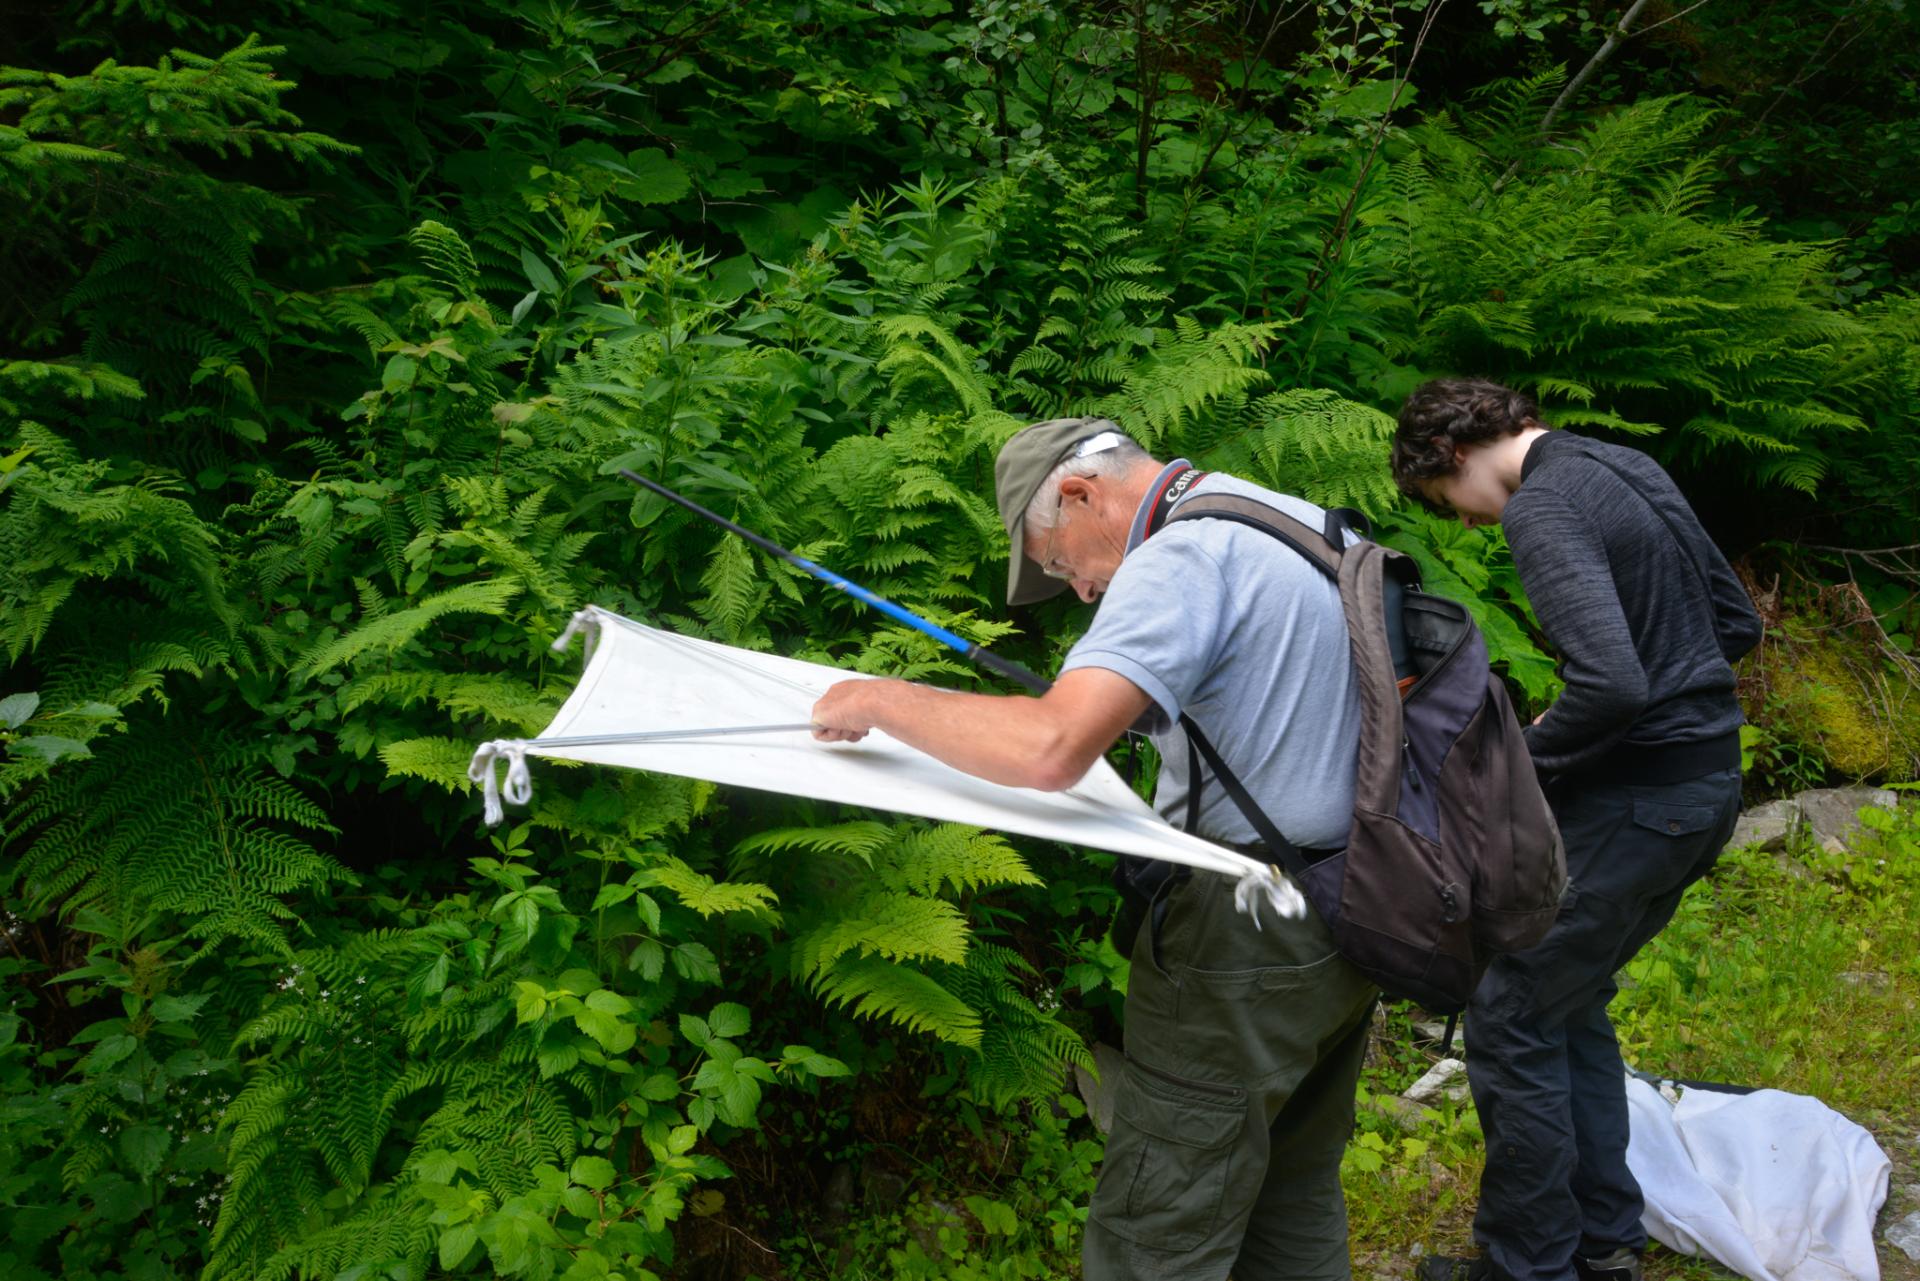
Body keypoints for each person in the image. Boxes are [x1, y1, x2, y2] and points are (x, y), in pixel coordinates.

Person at [810, 417, 1378, 1281]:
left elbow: (1049, 747)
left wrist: (881, 700)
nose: (1075, 589)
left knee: (1161, 1221)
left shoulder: (1180, 559)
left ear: (1078, 494)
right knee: (1293, 1187)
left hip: (1241, 941)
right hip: (1355, 904)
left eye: (1055, 559)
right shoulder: (1293, 521)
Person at [1390, 379, 1762, 1281]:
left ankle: (1530, 1264)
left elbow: (1613, 686)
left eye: (1452, 506)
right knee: (1565, 996)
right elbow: (1736, 623)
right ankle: (1602, 1240)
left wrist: (1522, 763)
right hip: (1705, 783)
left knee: (1510, 1003)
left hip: (1645, 800)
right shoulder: (1623, 463)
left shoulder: (1544, 508)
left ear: (1451, 457)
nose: (1474, 526)